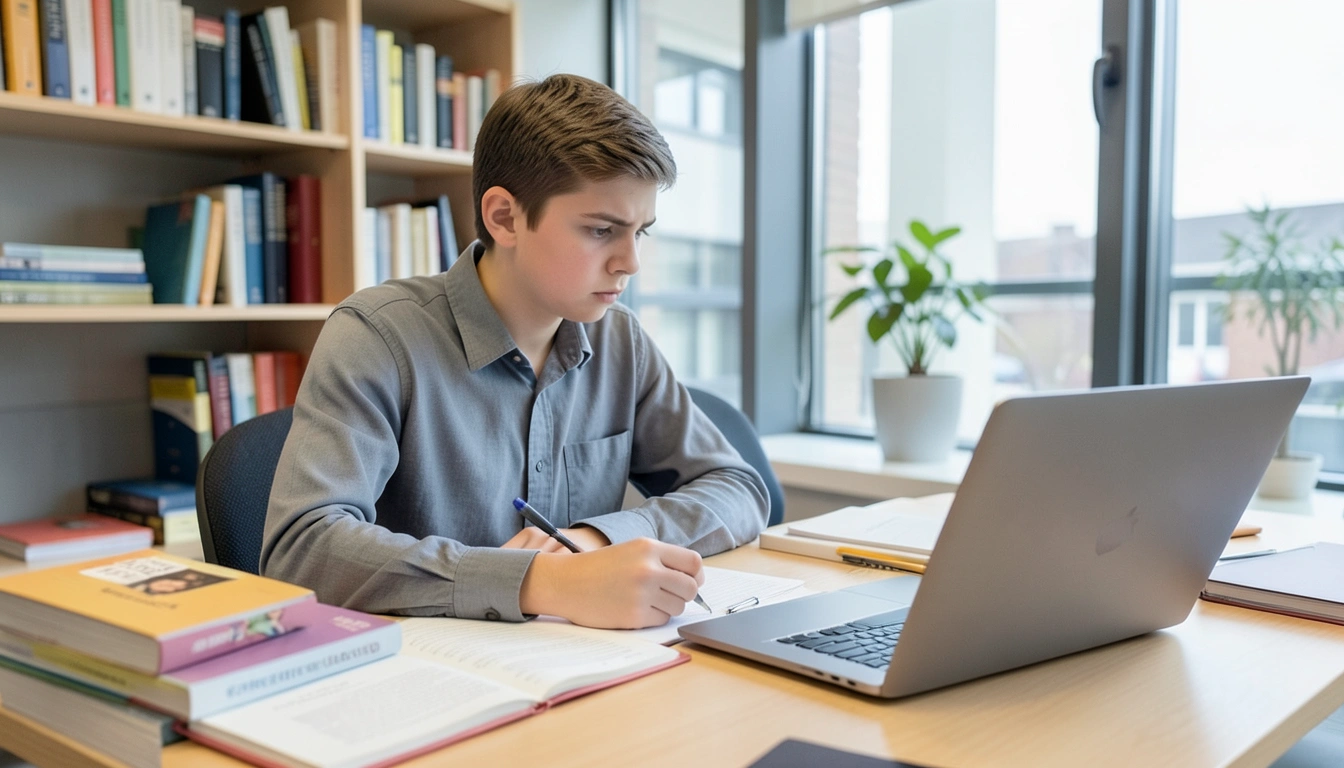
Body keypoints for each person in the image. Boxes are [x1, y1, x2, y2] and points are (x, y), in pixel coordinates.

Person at [260, 74, 769, 629]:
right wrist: (536, 581)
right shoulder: (377, 338)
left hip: (584, 669)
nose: (631, 262)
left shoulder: (620, 340)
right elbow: (302, 549)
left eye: (641, 231)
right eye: (602, 230)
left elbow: (737, 487)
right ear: (505, 217)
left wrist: (596, 538)